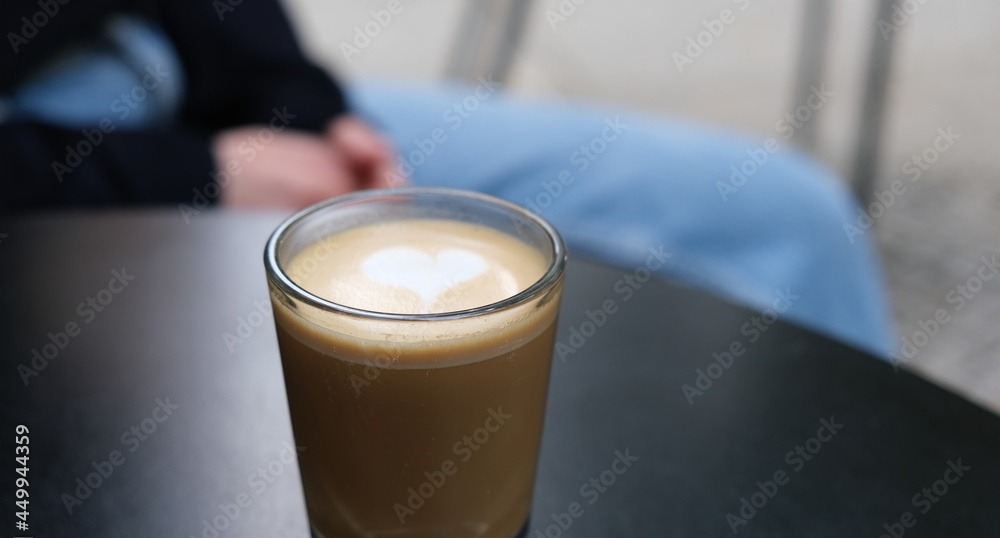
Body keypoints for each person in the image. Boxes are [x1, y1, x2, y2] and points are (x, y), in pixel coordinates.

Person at [0, 0, 893, 356]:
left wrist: (300, 107)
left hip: (181, 76)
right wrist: (190, 176)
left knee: (782, 217)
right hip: (53, 171)